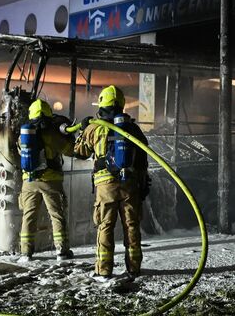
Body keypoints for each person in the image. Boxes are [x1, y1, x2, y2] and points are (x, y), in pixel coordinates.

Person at [74, 85, 149, 279]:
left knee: (105, 225)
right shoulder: (132, 128)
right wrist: (142, 183)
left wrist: (82, 129)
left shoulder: (94, 127)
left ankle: (103, 270)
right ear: (122, 103)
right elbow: (142, 157)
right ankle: (134, 268)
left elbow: (79, 152)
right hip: (130, 184)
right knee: (131, 226)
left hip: (105, 185)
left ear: (102, 102)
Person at [18, 99, 75, 261]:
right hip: (51, 181)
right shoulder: (52, 135)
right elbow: (71, 151)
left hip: (28, 181)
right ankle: (62, 251)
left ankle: (26, 253)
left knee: (28, 216)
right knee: (56, 215)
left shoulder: (24, 135)